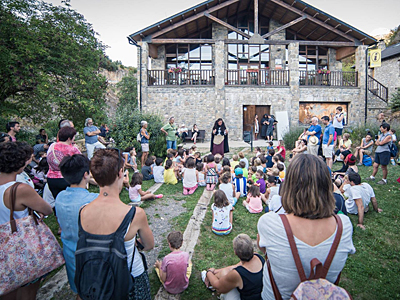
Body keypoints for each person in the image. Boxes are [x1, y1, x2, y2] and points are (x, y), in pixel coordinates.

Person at [257, 154, 355, 300]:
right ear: (326, 186)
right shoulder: (344, 226)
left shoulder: (270, 223)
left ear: (289, 186)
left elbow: (264, 250)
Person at [77, 149, 154, 299]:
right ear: (120, 173)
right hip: (130, 276)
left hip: (96, 276)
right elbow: (149, 245)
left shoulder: (82, 211)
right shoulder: (135, 214)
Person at [0, 141, 53, 300]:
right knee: (27, 290)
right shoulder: (18, 189)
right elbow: (47, 209)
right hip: (19, 245)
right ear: (19, 164)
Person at [56, 154, 98, 295]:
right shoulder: (93, 199)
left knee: (80, 290)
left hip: (69, 252)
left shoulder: (60, 196)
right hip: (91, 257)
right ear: (86, 174)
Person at [202, 234, 265, 299]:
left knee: (225, 287)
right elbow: (234, 267)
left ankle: (210, 284)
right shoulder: (258, 257)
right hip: (262, 296)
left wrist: (209, 272)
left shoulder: (237, 274)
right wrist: (215, 272)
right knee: (226, 273)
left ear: (235, 253)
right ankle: (211, 280)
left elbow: (218, 286)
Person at [47, 126, 81, 199]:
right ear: (69, 138)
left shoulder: (52, 146)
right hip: (66, 178)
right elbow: (81, 161)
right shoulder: (72, 149)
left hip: (51, 178)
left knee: (58, 200)